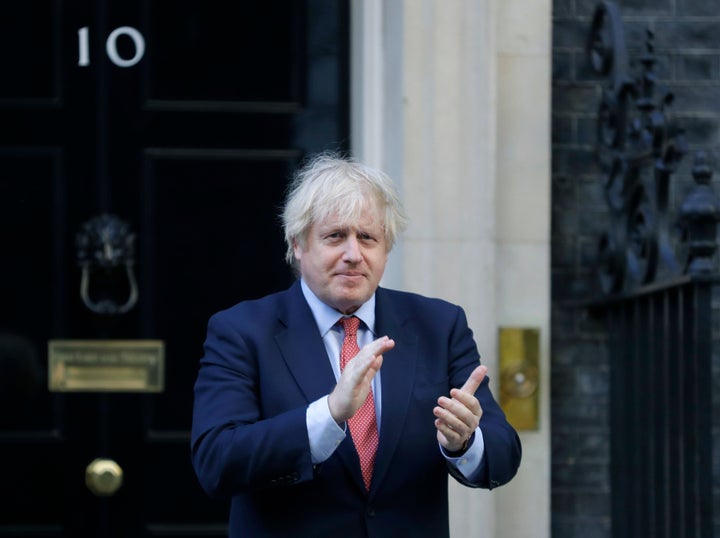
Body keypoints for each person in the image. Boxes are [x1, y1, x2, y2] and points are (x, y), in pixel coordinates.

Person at [191, 153, 522, 538]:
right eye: (335, 236)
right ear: (297, 244)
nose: (353, 254)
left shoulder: (439, 326)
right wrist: (329, 415)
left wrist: (465, 442)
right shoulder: (242, 331)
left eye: (367, 237)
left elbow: (503, 454)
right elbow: (216, 462)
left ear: (386, 247)